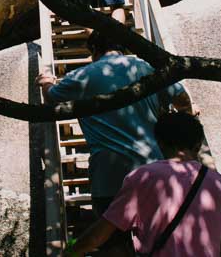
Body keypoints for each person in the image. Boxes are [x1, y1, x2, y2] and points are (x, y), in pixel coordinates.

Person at [36, 31, 195, 255]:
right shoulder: (146, 68)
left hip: (109, 175)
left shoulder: (83, 76)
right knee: (161, 239)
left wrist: (47, 83)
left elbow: (52, 97)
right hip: (153, 168)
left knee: (113, 245)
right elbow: (181, 99)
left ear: (94, 51)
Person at [68, 112, 221, 257]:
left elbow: (99, 235)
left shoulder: (143, 178)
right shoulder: (219, 183)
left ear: (160, 142)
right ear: (198, 145)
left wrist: (71, 252)